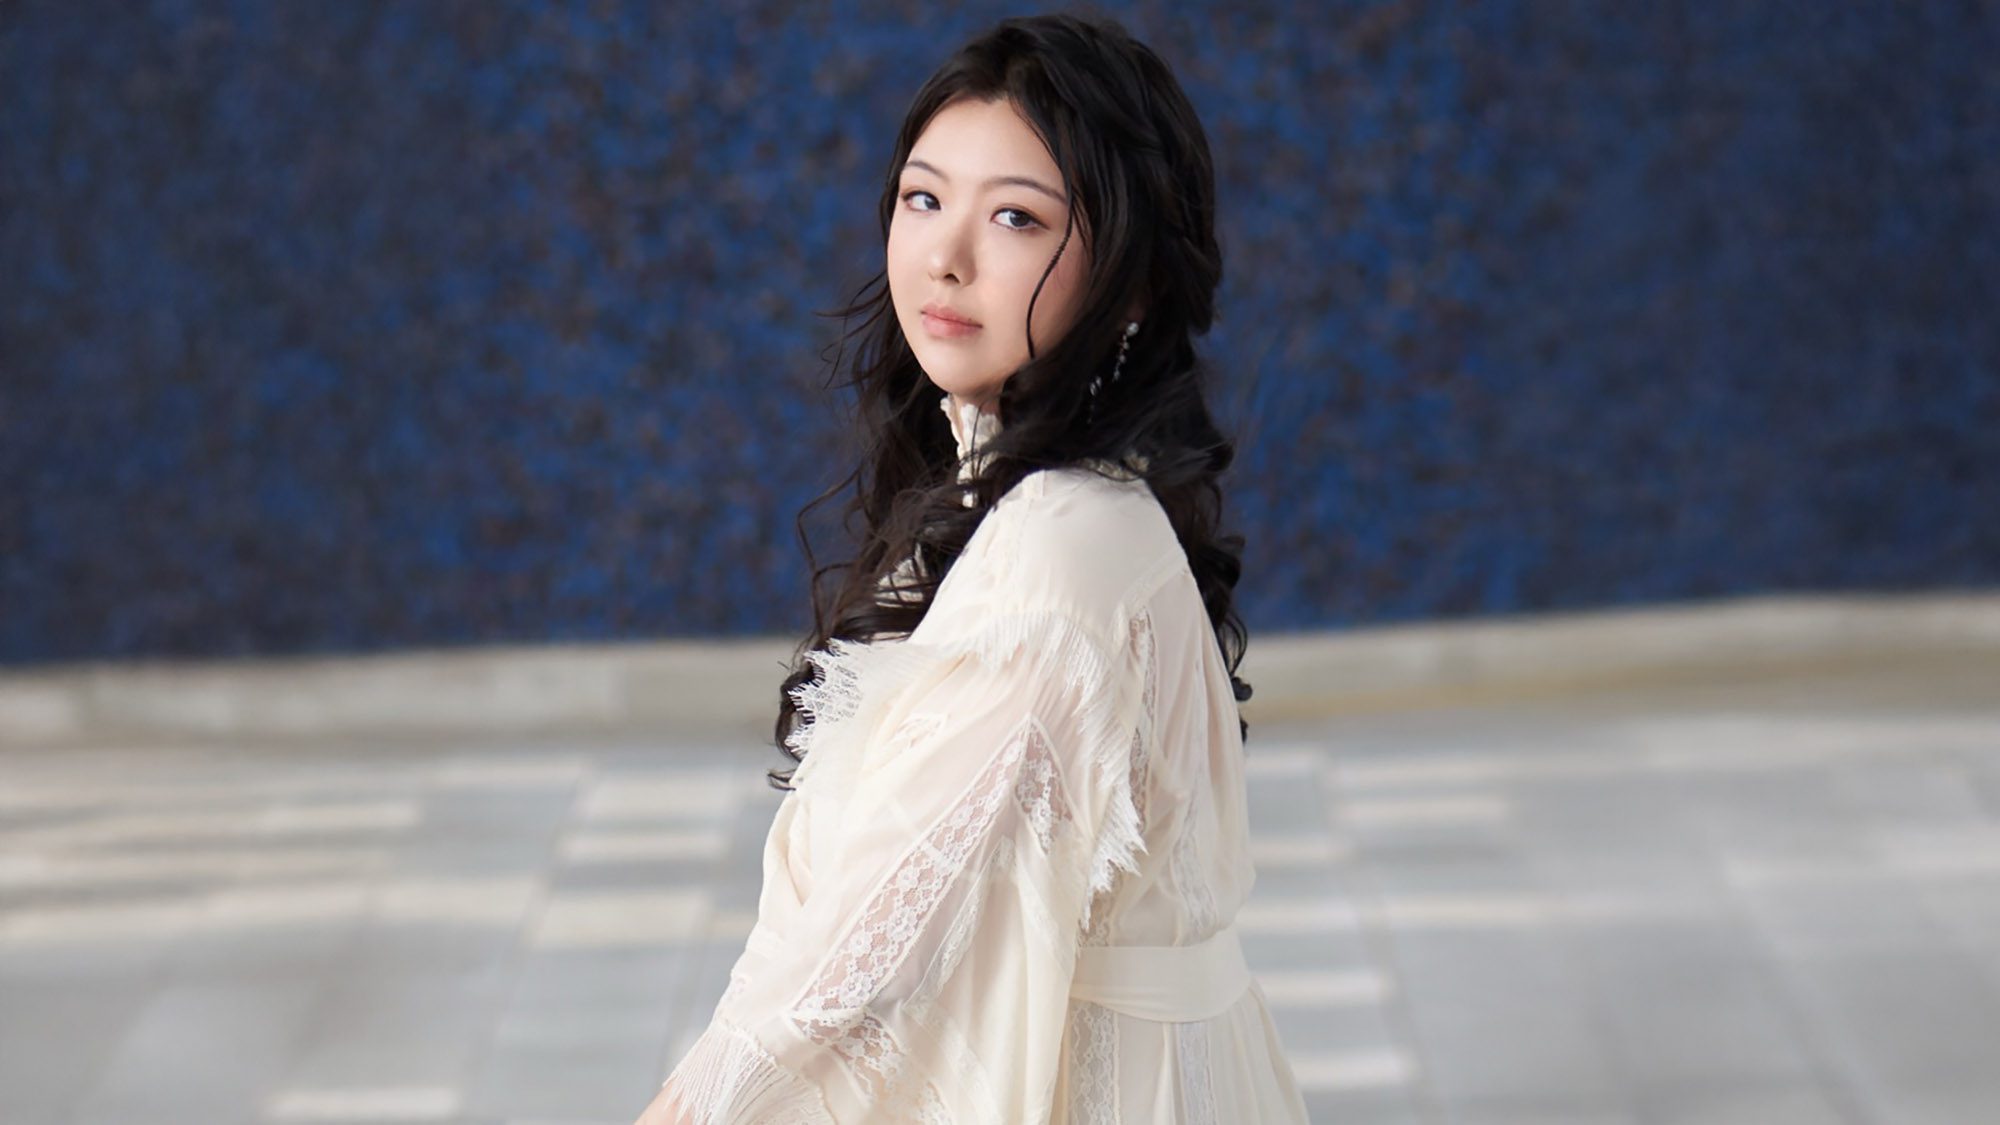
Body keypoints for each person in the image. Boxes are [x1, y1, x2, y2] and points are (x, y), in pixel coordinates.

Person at [635, 12, 1309, 1124]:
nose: (944, 255)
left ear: (1131, 281)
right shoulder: (1031, 502)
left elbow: (865, 964)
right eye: (921, 197)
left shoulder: (1055, 553)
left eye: (1013, 216)